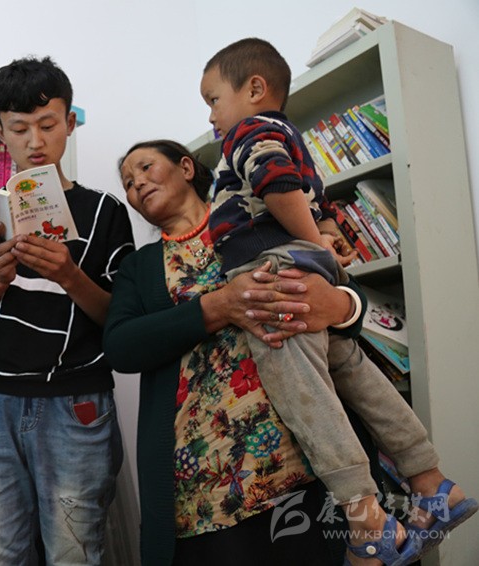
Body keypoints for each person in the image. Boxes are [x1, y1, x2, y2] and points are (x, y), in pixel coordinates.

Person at [199, 38, 476, 564]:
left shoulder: (249, 132)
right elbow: (320, 207)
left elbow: (276, 185)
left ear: (254, 89)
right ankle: (432, 481)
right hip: (307, 270)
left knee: (304, 394)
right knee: (356, 375)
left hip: (275, 272)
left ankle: (365, 515)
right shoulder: (292, 138)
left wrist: (313, 242)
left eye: (213, 99)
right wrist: (325, 239)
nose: (211, 115)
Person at [108, 139, 374, 565]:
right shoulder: (137, 269)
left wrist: (339, 305)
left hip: (303, 463)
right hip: (204, 487)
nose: (136, 183)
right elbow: (121, 347)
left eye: (145, 168)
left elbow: (350, 301)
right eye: (127, 183)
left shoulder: (256, 220)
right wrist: (216, 307)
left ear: (186, 168)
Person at [0, 56, 135, 565]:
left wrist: (69, 275)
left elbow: (121, 320)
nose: (35, 141)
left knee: (75, 554)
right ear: (0, 132)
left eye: (48, 125)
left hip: (75, 400)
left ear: (70, 123)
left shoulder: (105, 211)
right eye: (19, 128)